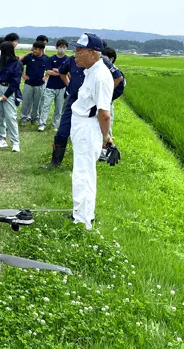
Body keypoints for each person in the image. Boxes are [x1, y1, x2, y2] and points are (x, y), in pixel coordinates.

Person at [44, 43, 123, 168]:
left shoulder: (101, 63)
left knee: (98, 128)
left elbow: (119, 78)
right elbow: (62, 72)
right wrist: (69, 85)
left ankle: (100, 153)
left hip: (91, 103)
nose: (77, 52)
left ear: (91, 52)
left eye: (80, 50)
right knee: (63, 131)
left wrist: (102, 94)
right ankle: (55, 162)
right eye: (76, 50)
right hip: (74, 99)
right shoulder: (72, 60)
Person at [68, 33, 114, 230]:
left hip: (88, 128)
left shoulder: (101, 76)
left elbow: (104, 114)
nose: (75, 54)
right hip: (81, 125)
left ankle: (84, 220)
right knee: (80, 172)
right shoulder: (91, 72)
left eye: (80, 51)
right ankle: (79, 213)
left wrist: (106, 138)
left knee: (84, 174)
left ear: (94, 53)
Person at [0, 41, 23, 152]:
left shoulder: (16, 63)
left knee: (10, 117)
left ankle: (15, 142)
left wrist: (6, 95)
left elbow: (16, 82)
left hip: (9, 90)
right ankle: (1, 139)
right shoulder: (0, 61)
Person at [38, 39, 68, 132]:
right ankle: (42, 124)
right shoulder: (51, 59)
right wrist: (61, 72)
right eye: (60, 47)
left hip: (62, 87)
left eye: (64, 47)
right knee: (46, 106)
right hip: (50, 86)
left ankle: (56, 124)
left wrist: (57, 71)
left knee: (59, 108)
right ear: (57, 47)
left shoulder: (67, 59)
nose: (62, 49)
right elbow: (49, 71)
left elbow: (68, 73)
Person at [20, 41, 49, 126]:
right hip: (28, 84)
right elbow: (19, 64)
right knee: (26, 102)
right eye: (33, 48)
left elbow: (50, 69)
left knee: (37, 103)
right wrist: (23, 75)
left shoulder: (46, 58)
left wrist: (46, 77)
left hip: (40, 84)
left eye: (36, 49)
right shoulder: (29, 57)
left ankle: (35, 118)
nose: (34, 50)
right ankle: (23, 118)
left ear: (41, 50)